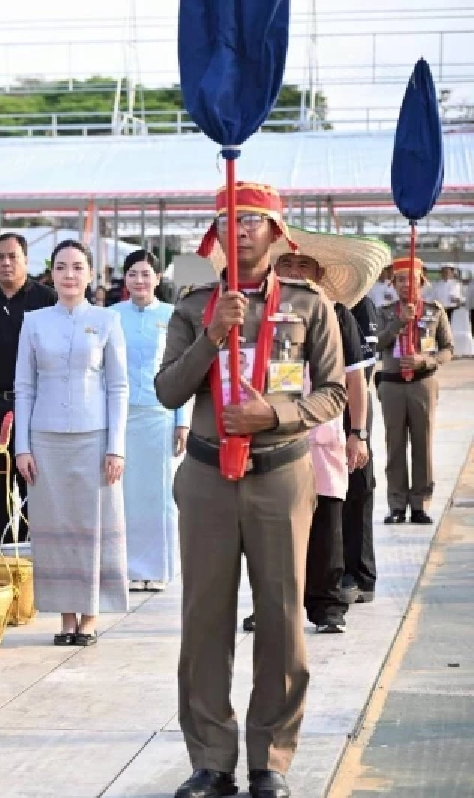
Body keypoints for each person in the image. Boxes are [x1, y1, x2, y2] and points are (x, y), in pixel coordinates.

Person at [155, 183, 345, 798]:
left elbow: (333, 392)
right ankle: (211, 759)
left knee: (284, 620)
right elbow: (167, 391)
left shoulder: (308, 304)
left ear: (277, 232)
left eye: (253, 220)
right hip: (208, 479)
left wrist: (277, 417)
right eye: (227, 221)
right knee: (204, 621)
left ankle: (272, 761)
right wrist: (212, 336)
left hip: (281, 477)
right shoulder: (195, 304)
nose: (240, 230)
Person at [270, 234, 386, 634]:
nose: (295, 274)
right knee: (274, 523)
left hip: (324, 431)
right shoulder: (261, 313)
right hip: (274, 430)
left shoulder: (338, 314)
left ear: (320, 275)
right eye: (287, 266)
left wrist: (359, 432)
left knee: (327, 524)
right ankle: (274, 605)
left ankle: (327, 605)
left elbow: (356, 380)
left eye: (305, 267)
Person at [15, 240, 127, 646]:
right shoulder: (34, 321)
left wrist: (116, 446)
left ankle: (90, 617)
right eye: (61, 267)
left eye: (77, 267)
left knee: (91, 526)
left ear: (90, 273)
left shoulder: (107, 321)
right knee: (54, 527)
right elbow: (24, 386)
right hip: (45, 439)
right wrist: (21, 447)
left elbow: (118, 386)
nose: (69, 275)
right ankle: (65, 618)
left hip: (94, 437)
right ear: (51, 273)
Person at [0, 232, 56, 554]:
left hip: (33, 407)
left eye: (12, 256)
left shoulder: (46, 299)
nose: (6, 263)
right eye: (0, 257)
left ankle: (35, 566)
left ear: (26, 261)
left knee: (33, 487)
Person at [109, 250, 188, 591]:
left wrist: (182, 420)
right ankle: (125, 566)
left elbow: (184, 371)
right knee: (123, 493)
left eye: (146, 274)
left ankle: (158, 568)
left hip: (160, 414)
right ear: (124, 280)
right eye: (133, 274)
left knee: (160, 494)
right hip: (122, 415)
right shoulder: (111, 316)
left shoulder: (174, 317)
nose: (139, 280)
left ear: (157, 278)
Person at [375, 256, 454, 525]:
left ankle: (420, 503)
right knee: (394, 445)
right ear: (393, 283)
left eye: (411, 279)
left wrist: (426, 360)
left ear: (421, 282)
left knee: (423, 444)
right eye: (399, 280)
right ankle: (396, 503)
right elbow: (376, 343)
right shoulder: (384, 311)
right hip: (392, 384)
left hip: (422, 383)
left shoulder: (435, 310)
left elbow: (448, 349)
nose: (406, 285)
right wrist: (398, 322)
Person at [341, 290, 381, 605]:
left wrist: (359, 428)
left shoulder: (357, 304)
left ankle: (359, 573)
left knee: (357, 488)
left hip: (349, 406)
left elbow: (363, 367)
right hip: (302, 411)